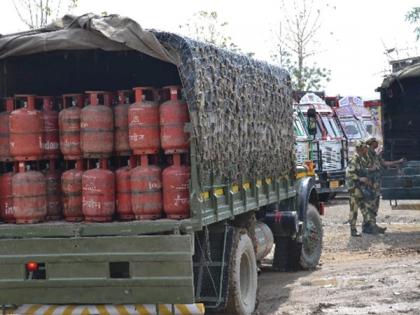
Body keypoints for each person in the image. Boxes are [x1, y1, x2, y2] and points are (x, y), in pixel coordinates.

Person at [365, 137, 405, 233]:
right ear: (372, 143)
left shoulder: (375, 154)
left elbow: (384, 163)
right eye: (376, 142)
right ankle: (368, 227)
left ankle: (372, 226)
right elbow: (363, 168)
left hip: (376, 185)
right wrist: (371, 168)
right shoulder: (366, 154)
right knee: (370, 206)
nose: (377, 144)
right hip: (370, 184)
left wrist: (398, 162)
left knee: (374, 206)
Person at [346, 140, 377, 236]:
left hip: (360, 188)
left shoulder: (361, 159)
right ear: (360, 149)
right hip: (354, 188)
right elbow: (349, 174)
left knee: (365, 208)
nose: (366, 149)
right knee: (354, 210)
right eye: (364, 148)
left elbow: (364, 169)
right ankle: (353, 230)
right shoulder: (354, 160)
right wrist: (360, 178)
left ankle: (370, 226)